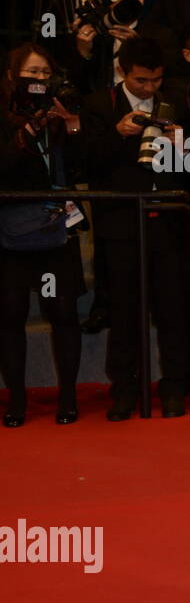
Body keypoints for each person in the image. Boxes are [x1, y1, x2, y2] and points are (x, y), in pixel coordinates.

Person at [81, 37, 190, 421]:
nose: (149, 88)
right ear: (122, 72)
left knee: (172, 310)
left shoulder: (177, 100)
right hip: (120, 222)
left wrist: (183, 145)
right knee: (125, 309)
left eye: (156, 80)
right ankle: (125, 389)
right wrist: (119, 134)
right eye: (141, 80)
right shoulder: (100, 104)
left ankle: (175, 386)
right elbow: (86, 164)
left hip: (169, 219)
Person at [0, 44, 86, 427]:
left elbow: (87, 165)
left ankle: (68, 397)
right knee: (10, 316)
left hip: (55, 232)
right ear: (12, 77)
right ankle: (16, 400)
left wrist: (70, 124)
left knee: (63, 313)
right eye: (31, 74)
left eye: (44, 74)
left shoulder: (59, 115)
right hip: (11, 236)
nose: (38, 82)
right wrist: (27, 132)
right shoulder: (4, 120)